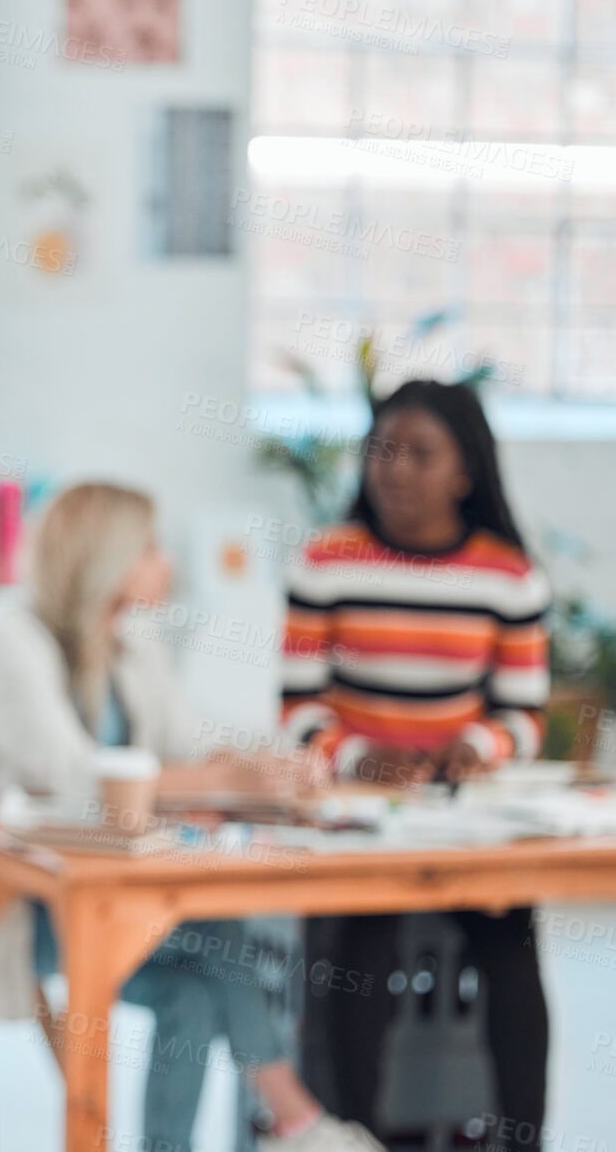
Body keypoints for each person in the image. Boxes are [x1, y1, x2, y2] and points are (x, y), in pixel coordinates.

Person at [0, 482, 383, 1152]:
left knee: (195, 994)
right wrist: (220, 777)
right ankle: (295, 1119)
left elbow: (187, 741)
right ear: (105, 557)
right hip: (20, 902)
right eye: (149, 547)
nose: (165, 563)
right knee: (219, 927)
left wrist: (264, 765)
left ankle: (241, 1132)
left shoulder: (130, 640)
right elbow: (80, 779)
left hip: (104, 889)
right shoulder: (10, 642)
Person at [281, 379, 551, 1152]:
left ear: (464, 470)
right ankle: (364, 1135)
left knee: (510, 944)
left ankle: (522, 1138)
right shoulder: (325, 562)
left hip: (465, 818)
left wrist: (481, 748)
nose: (393, 469)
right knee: (360, 946)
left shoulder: (508, 577)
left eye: (419, 454)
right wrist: (363, 758)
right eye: (381, 450)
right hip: (361, 819)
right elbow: (298, 712)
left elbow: (522, 717)